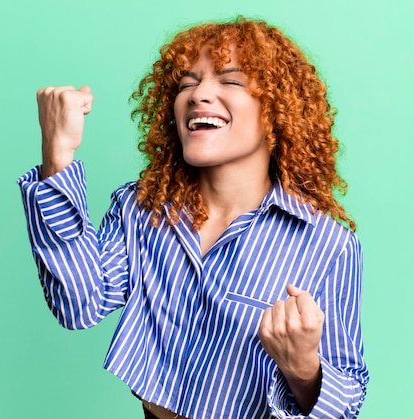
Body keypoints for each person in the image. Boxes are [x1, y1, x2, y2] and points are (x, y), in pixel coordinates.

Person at [18, 17, 369, 419]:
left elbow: (346, 402)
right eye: (187, 83)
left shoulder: (328, 244)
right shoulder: (141, 209)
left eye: (230, 81)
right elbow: (78, 304)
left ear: (276, 112)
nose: (199, 94)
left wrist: (304, 370)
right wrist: (57, 157)